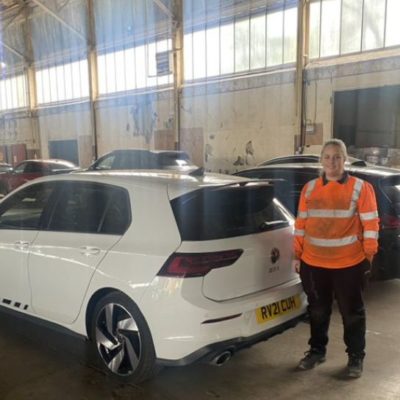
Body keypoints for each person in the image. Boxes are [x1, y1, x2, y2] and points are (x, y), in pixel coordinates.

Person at [292, 139, 379, 378]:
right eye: (328, 156)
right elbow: (301, 225)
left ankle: (355, 358)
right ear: (321, 159)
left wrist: (368, 255)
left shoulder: (361, 188)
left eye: (337, 156)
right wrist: (297, 255)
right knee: (318, 311)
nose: (332, 161)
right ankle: (317, 351)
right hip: (313, 262)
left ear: (345, 160)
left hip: (348, 264)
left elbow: (371, 223)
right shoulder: (309, 189)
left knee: (352, 313)